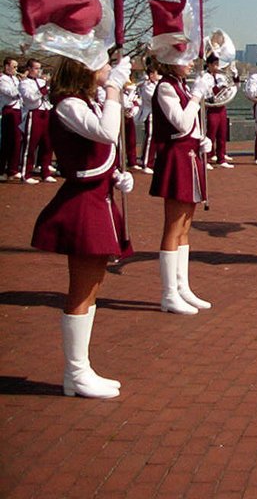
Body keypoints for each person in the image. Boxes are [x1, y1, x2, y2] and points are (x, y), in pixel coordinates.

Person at [31, 54, 135, 398]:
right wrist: (115, 88)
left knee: (93, 285)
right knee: (82, 288)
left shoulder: (83, 101)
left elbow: (97, 148)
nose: (107, 70)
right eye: (102, 65)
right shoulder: (69, 105)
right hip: (83, 202)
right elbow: (106, 131)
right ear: (83, 68)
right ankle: (75, 371)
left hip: (98, 197)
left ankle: (82, 368)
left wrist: (115, 173)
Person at [149, 56, 214, 315]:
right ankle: (168, 293)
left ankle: (182, 286)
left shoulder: (181, 86)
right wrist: (197, 96)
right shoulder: (165, 87)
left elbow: (191, 127)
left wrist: (201, 139)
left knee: (186, 225)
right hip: (176, 158)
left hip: (189, 156)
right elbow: (181, 122)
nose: (190, 63)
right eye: (184, 59)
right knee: (173, 226)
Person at [19, 59, 55, 184]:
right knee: (31, 145)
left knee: (47, 143)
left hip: (46, 112)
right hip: (34, 113)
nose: (38, 71)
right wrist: (44, 89)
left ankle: (45, 172)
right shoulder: (24, 83)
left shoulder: (41, 81)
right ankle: (26, 174)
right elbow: (30, 98)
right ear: (29, 68)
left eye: (40, 68)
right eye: (36, 68)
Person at [198, 53, 237, 169]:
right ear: (209, 65)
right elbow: (205, 92)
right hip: (212, 108)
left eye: (217, 64)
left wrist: (230, 82)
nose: (217, 67)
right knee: (211, 134)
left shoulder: (220, 77)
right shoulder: (204, 77)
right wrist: (217, 90)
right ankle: (207, 158)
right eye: (214, 64)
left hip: (222, 107)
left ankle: (221, 158)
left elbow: (231, 87)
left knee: (222, 134)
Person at [0, 57, 23, 181]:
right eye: (14, 67)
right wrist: (22, 86)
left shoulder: (15, 79)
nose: (16, 70)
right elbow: (11, 93)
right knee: (7, 141)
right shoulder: (2, 79)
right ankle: (2, 169)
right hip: (9, 111)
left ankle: (13, 169)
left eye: (17, 67)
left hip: (18, 110)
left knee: (17, 140)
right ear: (7, 67)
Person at [136, 65, 160, 174]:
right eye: (156, 73)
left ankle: (147, 160)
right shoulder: (147, 86)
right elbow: (154, 98)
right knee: (150, 139)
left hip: (155, 114)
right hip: (150, 113)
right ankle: (146, 163)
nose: (158, 76)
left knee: (154, 139)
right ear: (151, 75)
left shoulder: (154, 84)